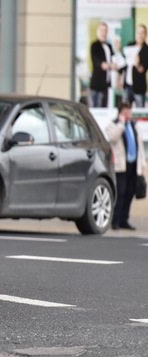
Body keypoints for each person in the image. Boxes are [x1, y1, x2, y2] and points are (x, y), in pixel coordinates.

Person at [106, 102, 146, 230]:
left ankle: (124, 219)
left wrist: (142, 163)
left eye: (130, 111)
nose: (129, 113)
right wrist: (121, 124)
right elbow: (113, 138)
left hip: (133, 165)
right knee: (120, 192)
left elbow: (139, 145)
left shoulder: (135, 125)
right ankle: (115, 220)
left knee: (129, 193)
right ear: (121, 112)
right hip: (120, 166)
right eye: (126, 111)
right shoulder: (113, 124)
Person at [121, 24, 148, 108]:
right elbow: (123, 62)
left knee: (140, 112)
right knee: (125, 110)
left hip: (139, 87)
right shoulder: (129, 45)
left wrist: (137, 64)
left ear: (145, 35)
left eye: (142, 33)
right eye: (138, 32)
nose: (140, 35)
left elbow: (143, 69)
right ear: (135, 34)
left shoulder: (146, 50)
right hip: (127, 85)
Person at [89, 22, 115, 108]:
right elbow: (99, 63)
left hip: (106, 85)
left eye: (105, 31)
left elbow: (114, 60)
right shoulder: (94, 46)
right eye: (101, 31)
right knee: (96, 110)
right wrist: (110, 66)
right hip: (97, 85)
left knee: (105, 108)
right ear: (98, 32)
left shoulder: (109, 46)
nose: (103, 33)